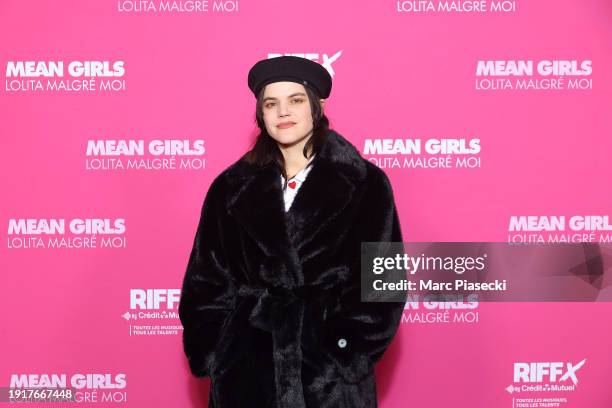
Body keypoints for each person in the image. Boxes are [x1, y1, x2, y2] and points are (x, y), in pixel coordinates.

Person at [178, 55, 406, 408]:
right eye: (271, 103)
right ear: (261, 114)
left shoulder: (366, 183)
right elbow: (205, 281)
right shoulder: (229, 187)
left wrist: (344, 352)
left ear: (317, 106)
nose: (283, 112)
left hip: (330, 383)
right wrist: (214, 354)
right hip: (245, 376)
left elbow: (382, 285)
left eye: (296, 100)